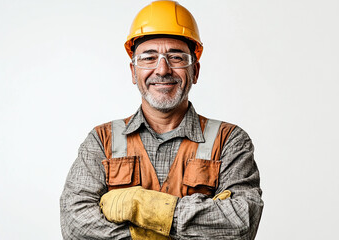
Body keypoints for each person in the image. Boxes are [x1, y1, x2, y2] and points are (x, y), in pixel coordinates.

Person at [60, 1, 264, 239]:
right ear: (133, 72)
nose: (162, 69)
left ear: (195, 71)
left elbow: (241, 223)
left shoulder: (229, 141)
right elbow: (76, 225)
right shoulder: (102, 141)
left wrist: (141, 205)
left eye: (176, 57)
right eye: (149, 58)